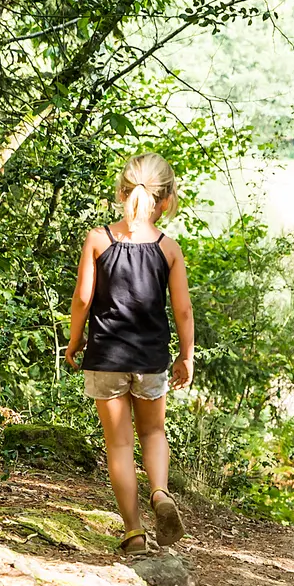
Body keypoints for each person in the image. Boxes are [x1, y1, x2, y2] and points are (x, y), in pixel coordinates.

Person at [66, 153, 195, 554]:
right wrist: (186, 355)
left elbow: (82, 299)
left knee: (119, 446)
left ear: (121, 192)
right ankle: (159, 492)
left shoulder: (98, 240)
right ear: (168, 199)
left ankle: (134, 534)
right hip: (152, 359)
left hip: (106, 357)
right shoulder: (168, 248)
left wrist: (75, 340)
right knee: (154, 432)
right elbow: (183, 310)